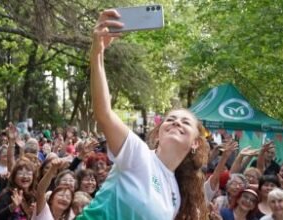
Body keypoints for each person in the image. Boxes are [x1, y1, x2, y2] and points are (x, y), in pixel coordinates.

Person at [77, 9, 209, 220]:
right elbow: (104, 113)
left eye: (185, 122)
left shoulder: (175, 193)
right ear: (158, 134)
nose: (176, 123)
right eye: (170, 120)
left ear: (195, 143)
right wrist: (98, 53)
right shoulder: (137, 155)